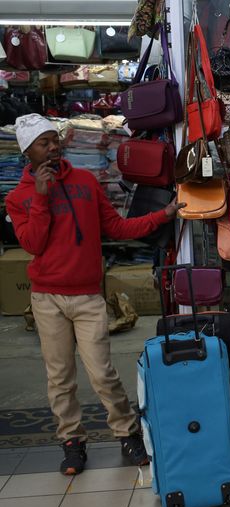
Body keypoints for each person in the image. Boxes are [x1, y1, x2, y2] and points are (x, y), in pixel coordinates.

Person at [4, 114, 184, 475]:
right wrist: (40, 198)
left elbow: (116, 226)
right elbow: (33, 244)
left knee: (102, 372)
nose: (53, 146)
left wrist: (161, 216)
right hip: (47, 299)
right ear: (28, 152)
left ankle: (127, 432)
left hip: (87, 296)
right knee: (60, 377)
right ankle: (72, 442)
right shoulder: (18, 198)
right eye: (44, 142)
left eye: (55, 139)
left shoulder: (86, 181)